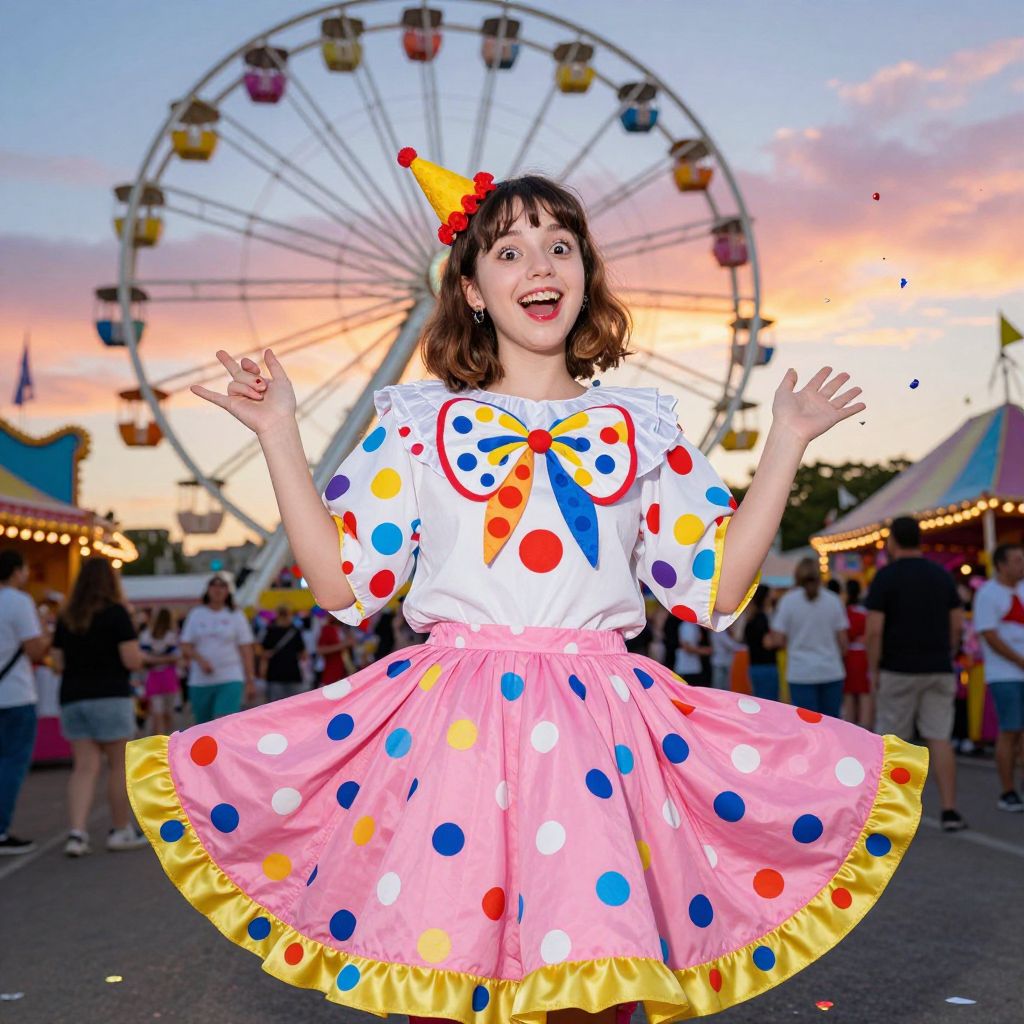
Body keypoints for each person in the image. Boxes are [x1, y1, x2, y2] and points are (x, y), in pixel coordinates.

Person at [127, 148, 923, 1024]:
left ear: (585, 273)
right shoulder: (418, 421)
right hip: (452, 730)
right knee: (444, 979)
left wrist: (787, 443)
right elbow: (346, 587)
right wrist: (280, 433)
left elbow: (717, 592)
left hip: (599, 731)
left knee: (590, 983)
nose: (538, 266)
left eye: (558, 246)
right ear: (470, 288)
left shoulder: (641, 425)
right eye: (507, 251)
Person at [865, 516, 966, 831]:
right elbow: (957, 624)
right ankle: (949, 809)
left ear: (893, 541)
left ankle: (892, 816)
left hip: (898, 667)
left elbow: (874, 631)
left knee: (895, 743)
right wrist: (946, 651)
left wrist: (873, 668)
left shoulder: (886, 577)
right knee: (940, 738)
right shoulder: (942, 576)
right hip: (938, 666)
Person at [51, 557, 148, 856]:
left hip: (73, 696)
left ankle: (77, 834)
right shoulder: (117, 613)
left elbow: (57, 663)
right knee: (118, 765)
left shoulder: (68, 615)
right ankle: (120, 830)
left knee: (84, 767)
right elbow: (131, 659)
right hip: (110, 695)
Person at [0, 550, 49, 855]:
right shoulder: (19, 602)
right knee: (11, 764)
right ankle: (1, 829)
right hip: (15, 694)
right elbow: (35, 650)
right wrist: (44, 629)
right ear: (17, 571)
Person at [972, 542, 1024, 811]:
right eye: (1017, 560)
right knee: (1010, 731)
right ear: (1001, 564)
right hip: (1004, 675)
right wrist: (1019, 660)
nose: (1022, 564)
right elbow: (989, 634)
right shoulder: (988, 594)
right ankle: (1008, 791)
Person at [772, 559, 848, 718]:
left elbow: (778, 640)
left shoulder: (788, 601)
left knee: (806, 726)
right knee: (833, 725)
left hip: (801, 673)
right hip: (831, 670)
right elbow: (843, 641)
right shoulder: (833, 600)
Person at [179, 576, 255, 723]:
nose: (217, 590)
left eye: (222, 586)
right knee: (203, 726)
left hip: (230, 676)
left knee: (224, 723)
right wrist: (201, 660)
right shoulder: (197, 614)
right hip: (201, 680)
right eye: (214, 586)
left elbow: (246, 649)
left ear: (228, 591)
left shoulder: (236, 615)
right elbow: (185, 644)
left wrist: (250, 679)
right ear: (208, 590)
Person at [139, 607, 180, 736]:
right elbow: (175, 656)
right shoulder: (172, 636)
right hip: (168, 674)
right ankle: (165, 742)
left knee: (159, 713)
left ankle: (160, 742)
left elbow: (144, 658)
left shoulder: (146, 636)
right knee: (166, 713)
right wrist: (165, 659)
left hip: (153, 675)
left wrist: (154, 660)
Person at [258, 605, 308, 702]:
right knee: (294, 707)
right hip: (293, 673)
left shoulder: (269, 630)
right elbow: (303, 654)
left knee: (275, 708)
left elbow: (259, 649)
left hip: (275, 674)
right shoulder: (295, 631)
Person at [842, 579, 872, 728]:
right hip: (863, 655)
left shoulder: (844, 612)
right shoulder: (864, 612)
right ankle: (865, 725)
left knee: (849, 693)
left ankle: (850, 726)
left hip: (848, 655)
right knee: (864, 692)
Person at [742, 584, 780, 701]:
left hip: (754, 666)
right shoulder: (762, 618)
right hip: (766, 667)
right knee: (769, 704)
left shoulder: (750, 619)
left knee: (759, 702)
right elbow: (768, 643)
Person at [316, 614, 355, 686]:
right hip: (332, 674)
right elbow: (320, 650)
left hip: (346, 672)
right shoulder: (327, 629)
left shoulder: (345, 629)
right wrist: (343, 645)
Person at [673, 619, 711, 687]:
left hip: (694, 667)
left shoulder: (694, 626)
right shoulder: (687, 626)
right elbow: (686, 647)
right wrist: (704, 651)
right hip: (686, 668)